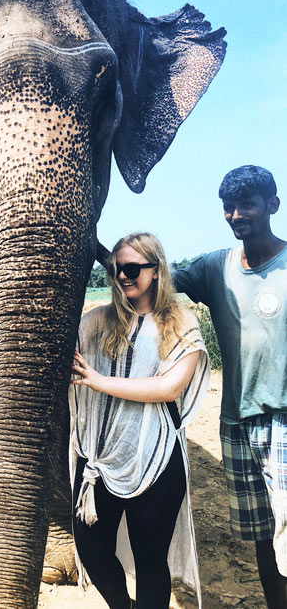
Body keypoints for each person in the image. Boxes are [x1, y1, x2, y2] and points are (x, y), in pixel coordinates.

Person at [0, 232, 209, 608]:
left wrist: (99, 381)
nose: (123, 276)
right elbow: (55, 352)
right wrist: (10, 344)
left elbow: (170, 388)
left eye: (133, 268)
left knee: (150, 558)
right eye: (117, 269)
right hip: (100, 461)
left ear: (156, 271)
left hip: (155, 459)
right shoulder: (97, 321)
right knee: (90, 548)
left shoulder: (180, 323)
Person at [173, 165, 287, 609]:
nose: (236, 215)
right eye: (228, 207)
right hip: (235, 423)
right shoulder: (213, 268)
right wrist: (101, 249)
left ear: (272, 206)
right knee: (260, 533)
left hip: (283, 418)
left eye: (248, 205)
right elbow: (149, 277)